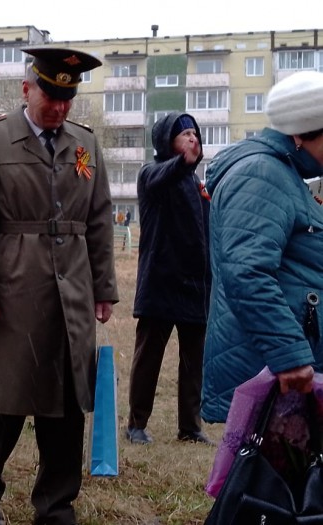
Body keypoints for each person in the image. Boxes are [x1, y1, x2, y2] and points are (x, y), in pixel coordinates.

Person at [0, 47, 118, 525]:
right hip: (13, 286)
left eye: (68, 98)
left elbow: (99, 218)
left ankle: (56, 505)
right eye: (51, 96)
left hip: (72, 289)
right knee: (4, 398)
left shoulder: (84, 143)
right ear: (27, 89)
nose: (59, 107)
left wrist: (103, 287)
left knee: (67, 402)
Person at [202, 70, 323, 423]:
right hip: (273, 371)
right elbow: (247, 272)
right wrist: (290, 354)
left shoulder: (285, 175)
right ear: (301, 133)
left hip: (282, 366)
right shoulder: (262, 174)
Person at [125, 112, 212, 446]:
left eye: (195, 134)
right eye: (184, 134)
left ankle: (190, 426)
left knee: (193, 361)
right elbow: (165, 174)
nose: (193, 138)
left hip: (194, 285)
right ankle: (136, 424)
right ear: (166, 141)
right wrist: (182, 164)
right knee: (149, 357)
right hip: (160, 282)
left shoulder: (197, 184)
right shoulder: (152, 173)